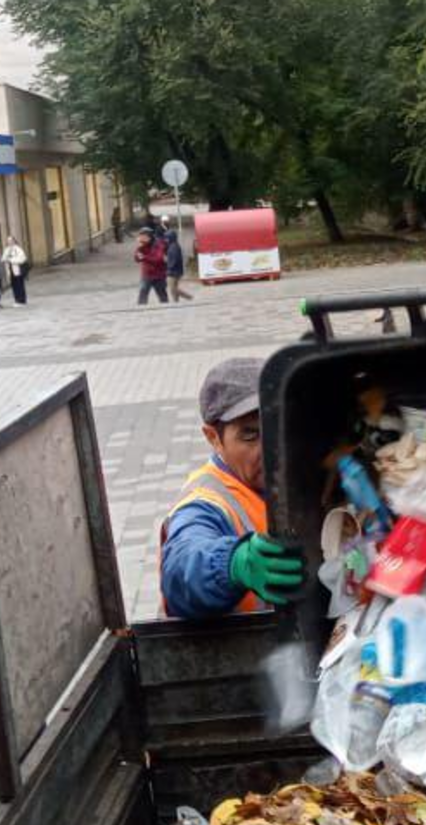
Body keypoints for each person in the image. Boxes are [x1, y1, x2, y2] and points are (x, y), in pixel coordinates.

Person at [159, 357, 305, 618]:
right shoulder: (205, 502)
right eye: (250, 435)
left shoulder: (295, 475)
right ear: (214, 438)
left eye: (277, 428)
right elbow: (182, 569)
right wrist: (234, 563)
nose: (271, 449)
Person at [162, 216, 194, 302]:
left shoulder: (173, 247)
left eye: (166, 238)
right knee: (174, 288)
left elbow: (174, 260)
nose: (165, 240)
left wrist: (167, 264)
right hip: (175, 271)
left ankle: (189, 297)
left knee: (173, 289)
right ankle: (176, 302)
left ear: (170, 238)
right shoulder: (173, 246)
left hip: (173, 272)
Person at [135, 230, 170, 305]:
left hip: (158, 275)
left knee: (162, 294)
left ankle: (166, 308)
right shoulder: (142, 245)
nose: (141, 239)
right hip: (147, 274)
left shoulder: (159, 244)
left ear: (150, 237)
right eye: (140, 238)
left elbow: (158, 259)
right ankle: (141, 309)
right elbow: (137, 259)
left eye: (144, 237)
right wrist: (139, 249)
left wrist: (144, 257)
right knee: (143, 292)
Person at [2, 236, 29, 305]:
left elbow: (23, 259)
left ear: (14, 241)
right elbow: (3, 258)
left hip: (18, 270)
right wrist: (5, 259)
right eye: (8, 241)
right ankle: (17, 300)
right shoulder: (7, 250)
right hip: (11, 271)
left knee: (20, 285)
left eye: (11, 240)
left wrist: (12, 260)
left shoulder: (18, 249)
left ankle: (22, 300)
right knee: (14, 286)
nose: (9, 242)